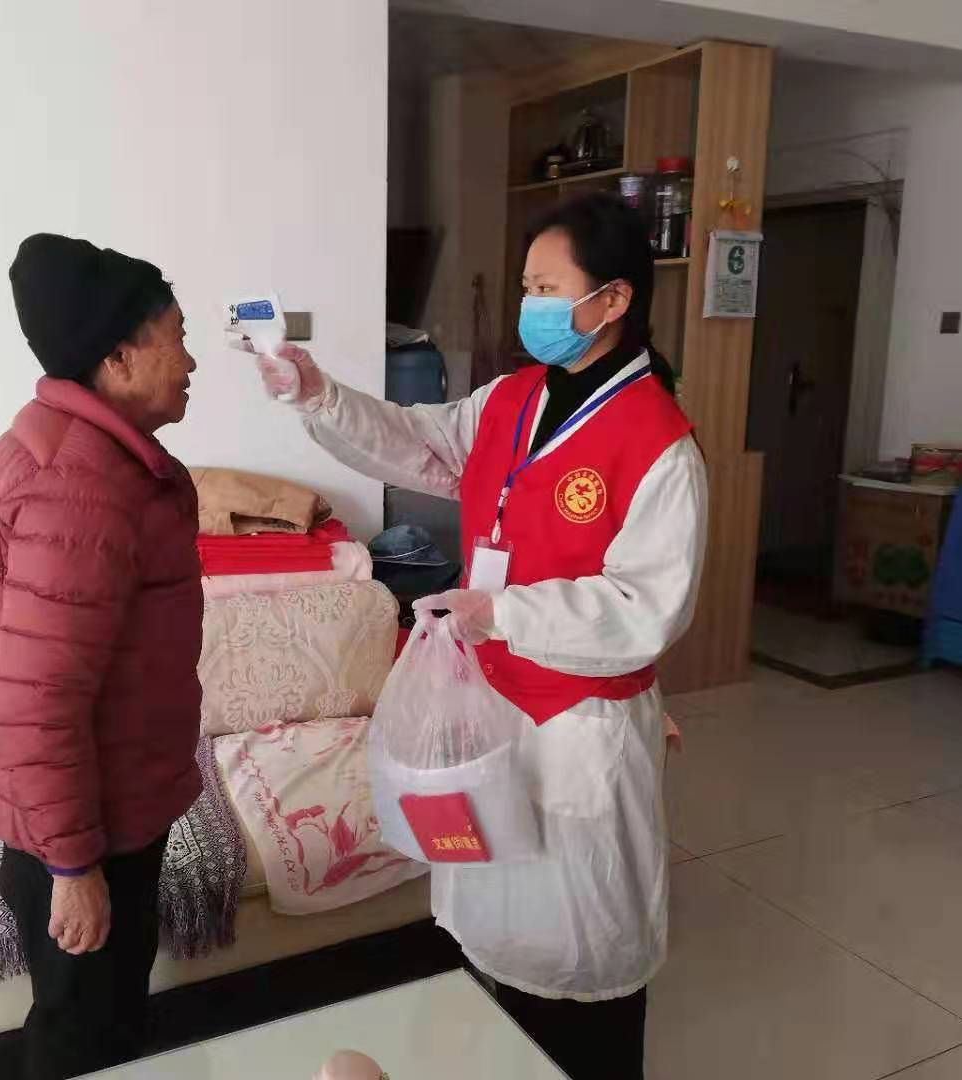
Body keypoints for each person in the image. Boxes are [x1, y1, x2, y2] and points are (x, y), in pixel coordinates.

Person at [258, 193, 707, 1079]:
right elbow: (417, 443)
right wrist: (320, 396)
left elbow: (646, 606)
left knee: (580, 957)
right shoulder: (513, 398)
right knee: (497, 931)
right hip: (491, 705)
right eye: (526, 286)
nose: (529, 305)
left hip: (578, 725)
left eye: (548, 288)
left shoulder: (659, 444)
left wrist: (504, 612)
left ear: (613, 300)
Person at [0, 233, 203, 1079]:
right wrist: (73, 865)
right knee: (83, 1045)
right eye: (177, 337)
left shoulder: (86, 458)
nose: (191, 361)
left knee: (106, 1026)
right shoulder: (80, 489)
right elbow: (39, 702)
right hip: (81, 833)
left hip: (103, 812)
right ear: (118, 357)